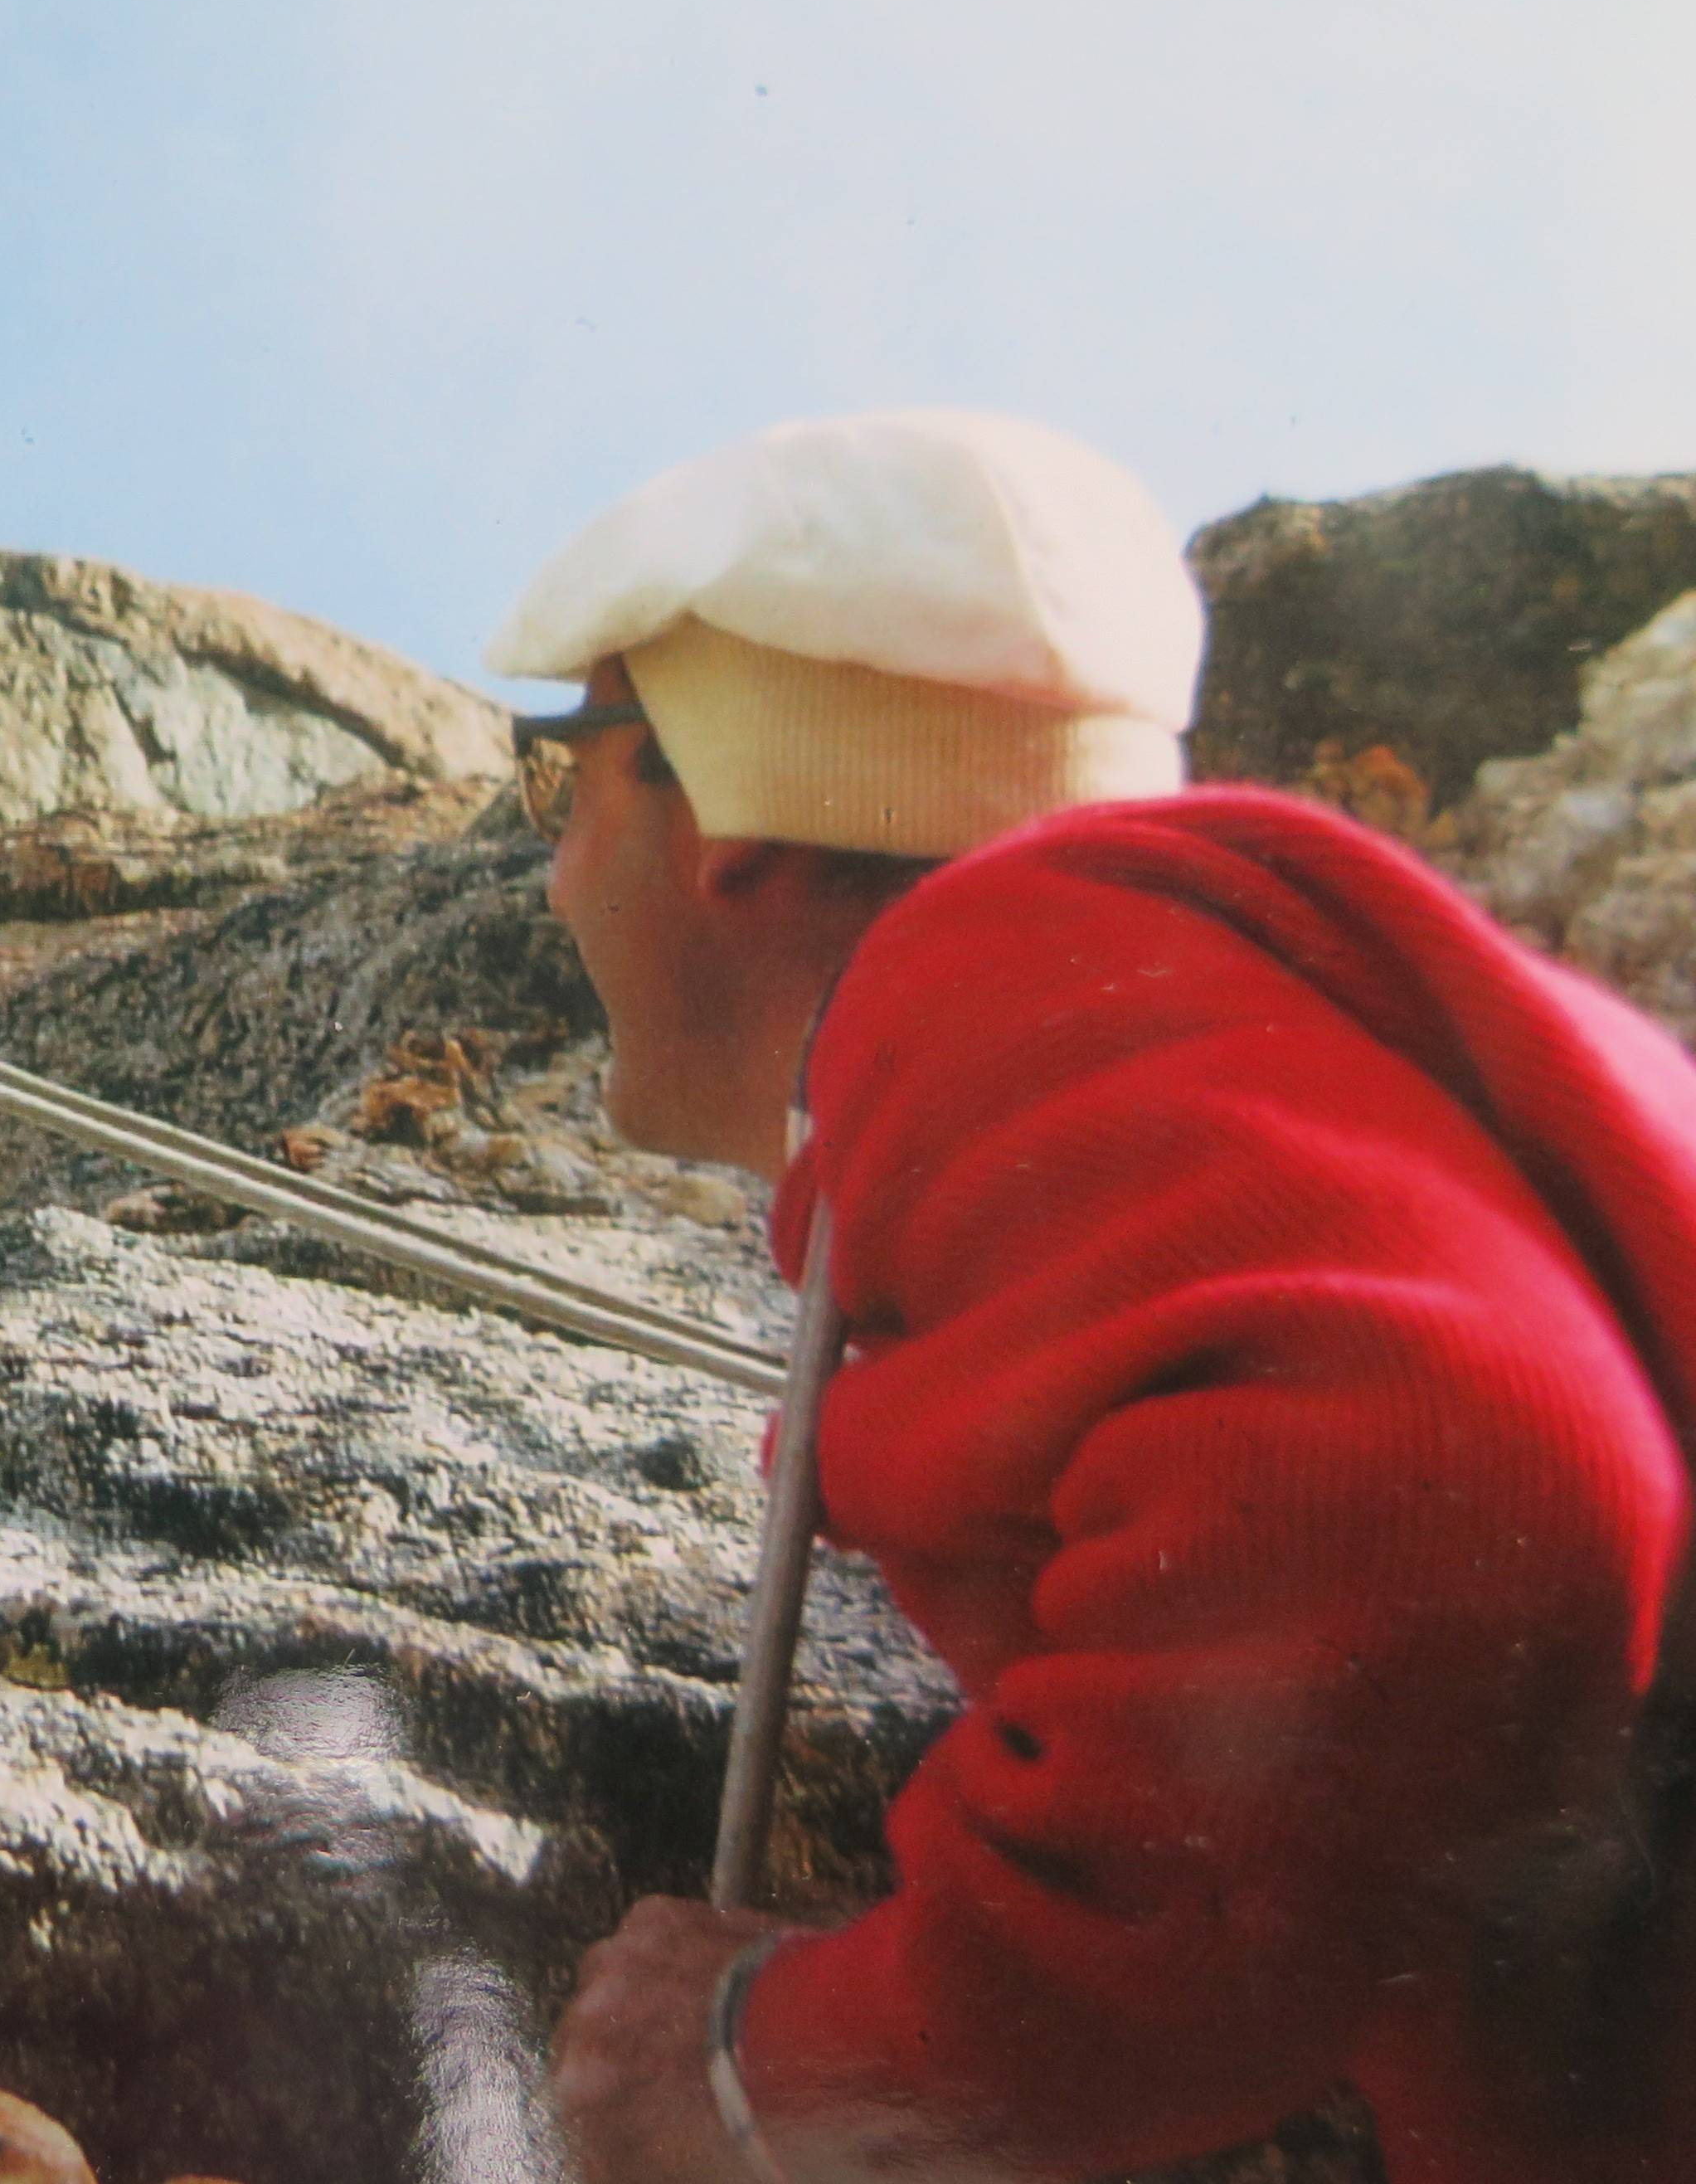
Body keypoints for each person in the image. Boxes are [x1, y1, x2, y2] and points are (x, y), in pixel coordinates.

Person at [489, 411, 1696, 2182]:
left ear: (720, 803)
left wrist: (797, 2064)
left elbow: (1456, 1491)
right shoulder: (1202, 1008)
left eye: (555, 777)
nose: (544, 870)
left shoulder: (989, 967)